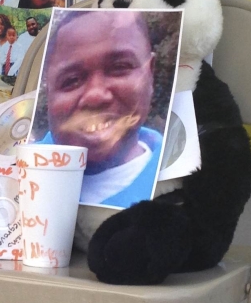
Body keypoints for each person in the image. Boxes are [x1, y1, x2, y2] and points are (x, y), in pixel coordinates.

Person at [37, 11, 163, 208]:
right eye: (71, 80)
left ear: (150, 74)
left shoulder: (179, 185)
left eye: (120, 67)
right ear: (48, 92)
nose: (95, 95)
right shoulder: (11, 174)